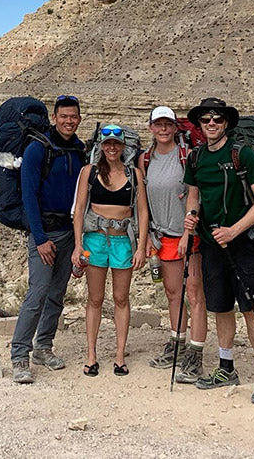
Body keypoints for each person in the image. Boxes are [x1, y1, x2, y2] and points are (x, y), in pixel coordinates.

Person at [182, 97, 254, 405]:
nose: (211, 124)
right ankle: (226, 368)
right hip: (211, 245)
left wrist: (234, 231)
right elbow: (194, 196)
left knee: (251, 310)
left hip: (243, 243)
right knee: (220, 307)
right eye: (206, 119)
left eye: (217, 119)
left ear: (226, 123)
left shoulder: (242, 154)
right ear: (199, 124)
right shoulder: (196, 158)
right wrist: (191, 218)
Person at [10, 95, 87, 384]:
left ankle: (43, 347)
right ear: (54, 117)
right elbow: (28, 195)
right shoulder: (38, 148)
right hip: (44, 233)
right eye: (64, 116)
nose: (69, 121)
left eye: (74, 116)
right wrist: (39, 237)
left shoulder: (80, 150)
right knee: (38, 292)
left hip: (69, 232)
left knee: (56, 294)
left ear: (79, 119)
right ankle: (19, 354)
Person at [72, 124, 148, 376]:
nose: (112, 147)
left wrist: (142, 247)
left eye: (116, 143)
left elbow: (143, 212)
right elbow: (80, 208)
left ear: (123, 146)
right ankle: (91, 355)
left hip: (122, 241)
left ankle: (119, 355)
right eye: (107, 143)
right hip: (95, 241)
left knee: (121, 298)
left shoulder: (134, 174)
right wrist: (78, 245)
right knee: (94, 299)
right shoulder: (89, 172)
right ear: (101, 146)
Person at [141, 106, 207, 383]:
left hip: (189, 235)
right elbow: (142, 201)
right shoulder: (145, 159)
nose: (164, 129)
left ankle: (195, 355)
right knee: (173, 293)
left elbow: (197, 194)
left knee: (194, 295)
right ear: (151, 128)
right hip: (162, 236)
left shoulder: (187, 156)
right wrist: (144, 237)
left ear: (175, 127)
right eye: (159, 125)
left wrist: (186, 234)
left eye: (168, 124)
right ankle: (177, 343)